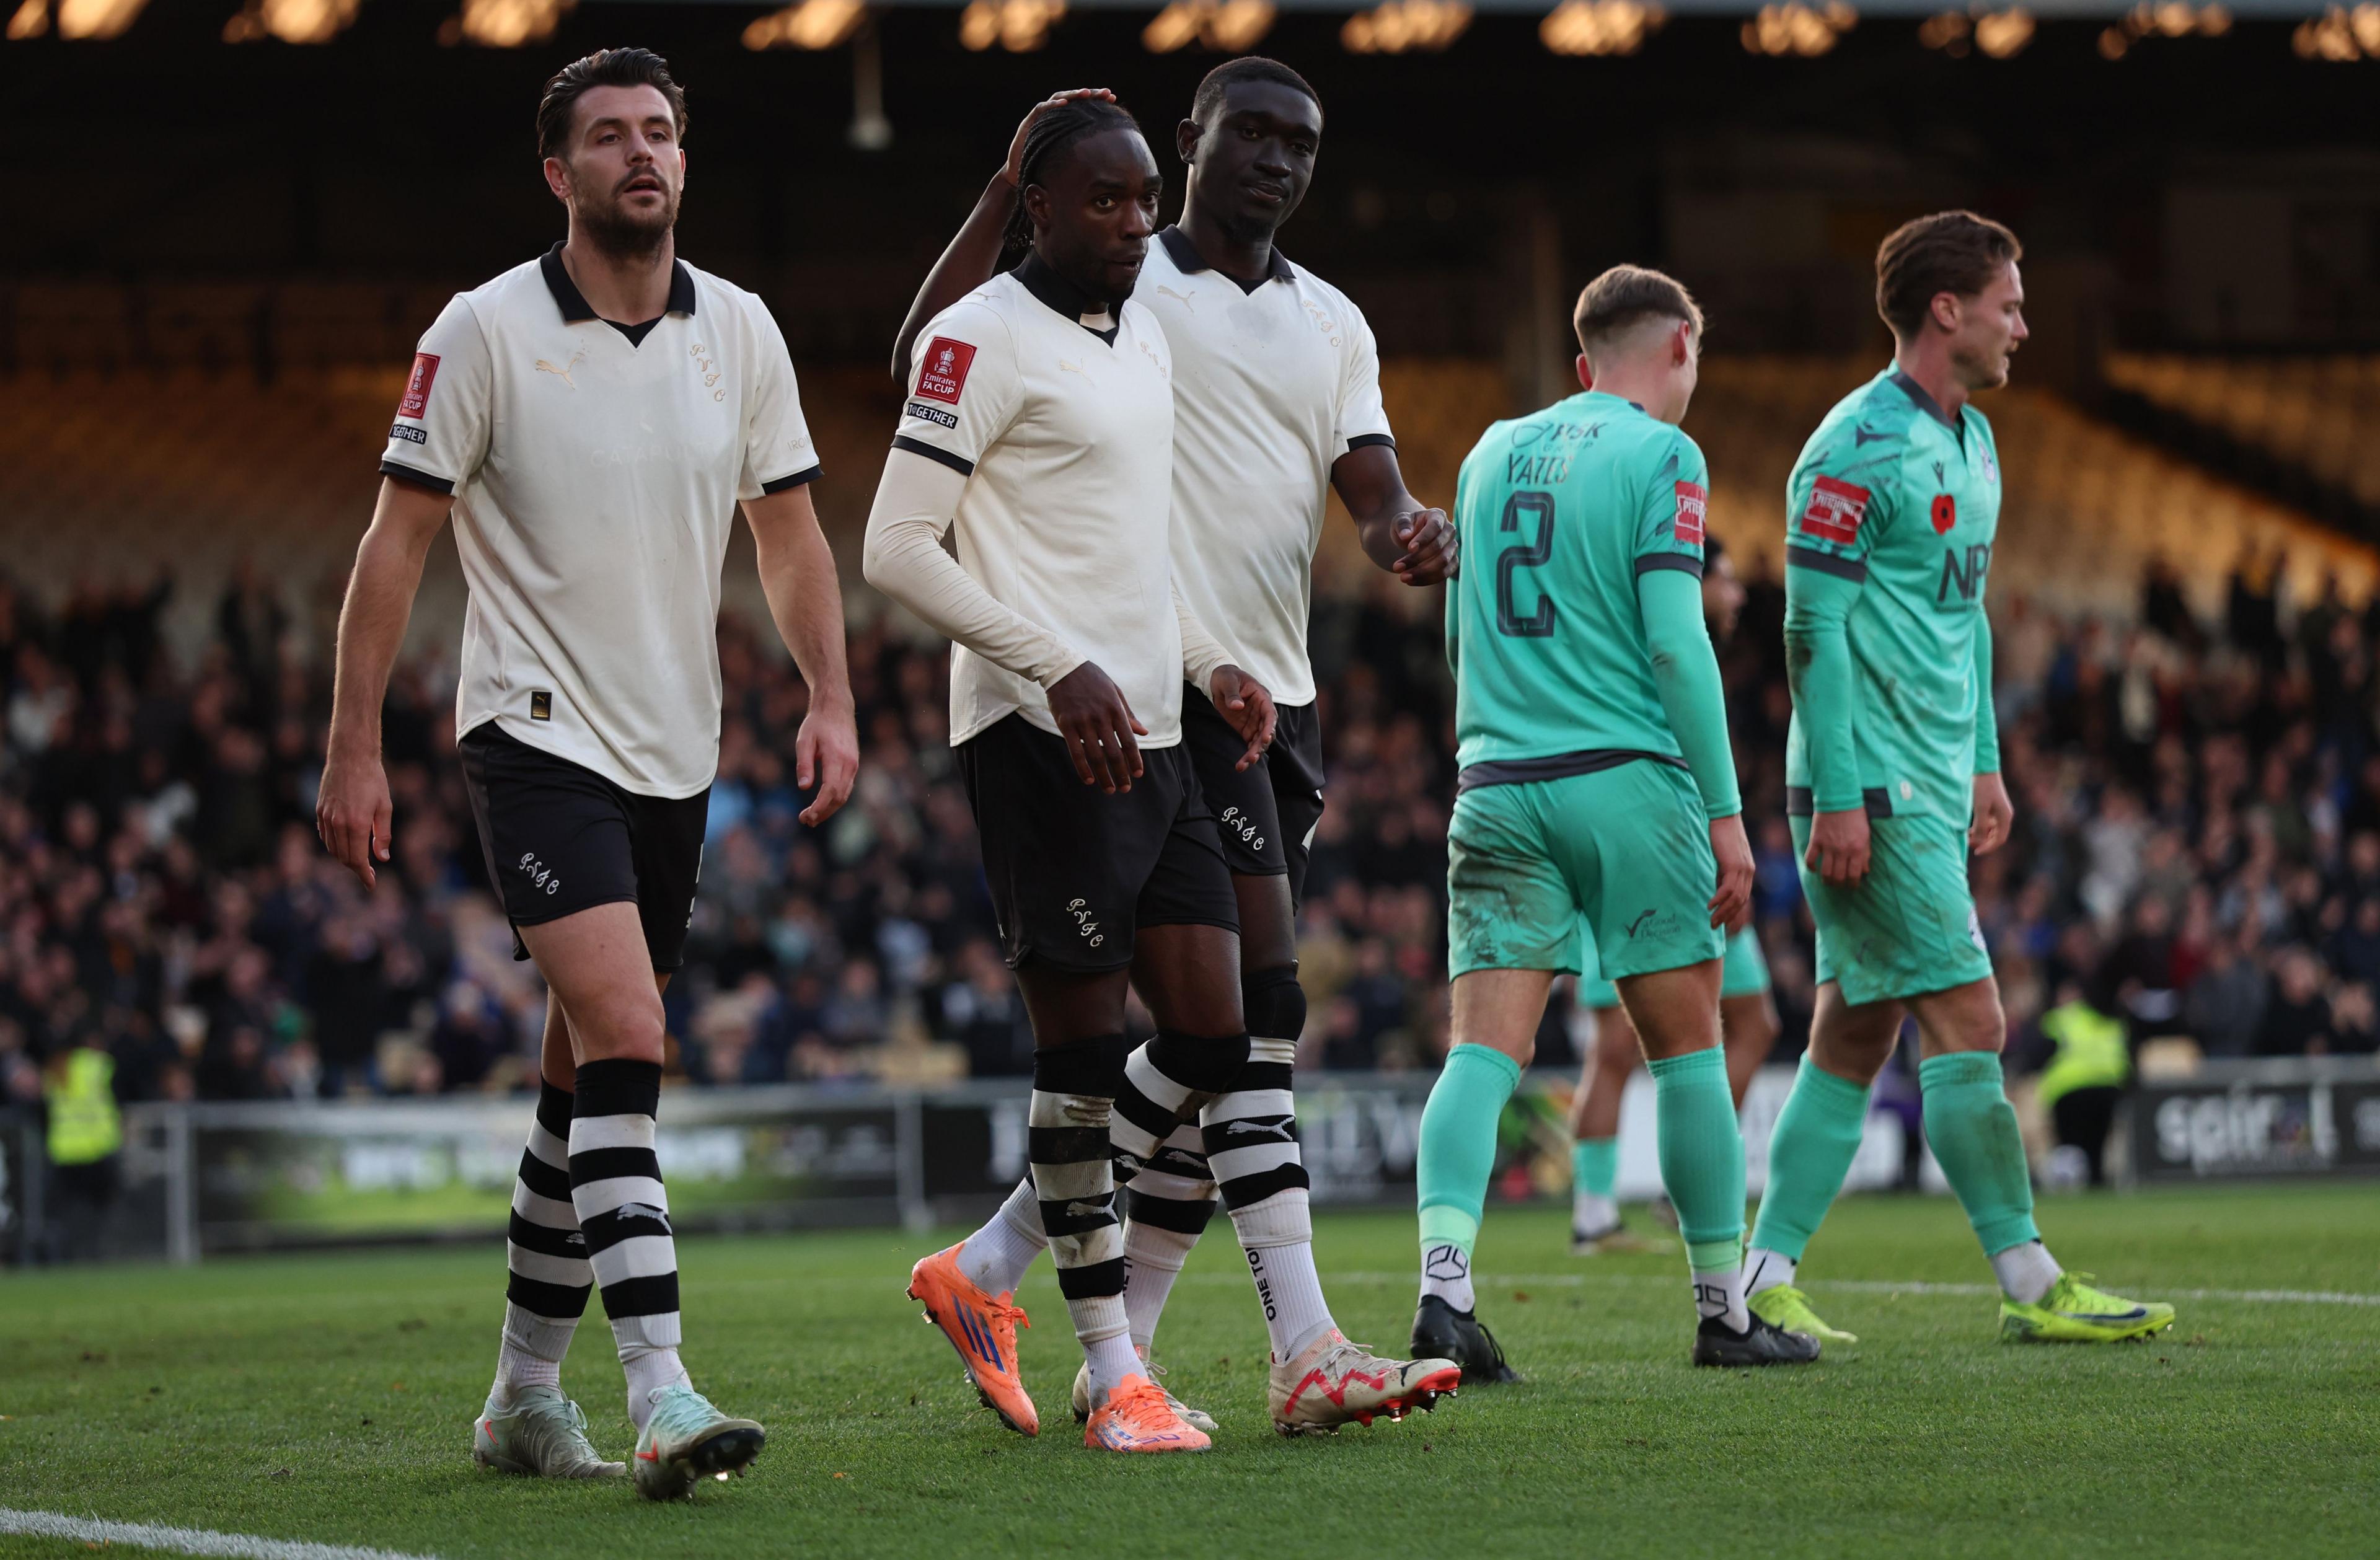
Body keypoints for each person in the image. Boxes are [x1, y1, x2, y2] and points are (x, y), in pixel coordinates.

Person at [315, 48, 859, 1497]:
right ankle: (662, 1388)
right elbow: (396, 543)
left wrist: (831, 694)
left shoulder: (738, 331)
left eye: (662, 133)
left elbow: (791, 532)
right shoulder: (484, 330)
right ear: (557, 172)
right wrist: (353, 741)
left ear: (685, 160)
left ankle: (517, 1399)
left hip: (675, 750)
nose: (643, 154)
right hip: (532, 732)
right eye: (610, 136)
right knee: (626, 1034)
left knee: (578, 1092)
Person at [886, 69, 1461, 1439]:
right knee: (1249, 1022)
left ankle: (1030, 1284)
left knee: (1231, 1034)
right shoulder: (1120, 284)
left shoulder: (1329, 318)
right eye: (1250, 134)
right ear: (1193, 139)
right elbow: (934, 358)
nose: (1276, 162)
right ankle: (1286, 1343)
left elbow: (1368, 484)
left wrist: (1403, 534)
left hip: (1260, 680)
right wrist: (1000, 191)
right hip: (1128, 692)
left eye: (1301, 145)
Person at [1742, 211, 2173, 1347]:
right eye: (2009, 302)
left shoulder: (1975, 441)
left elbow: (1963, 615)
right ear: (1949, 309)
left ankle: (1759, 1279)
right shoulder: (1850, 448)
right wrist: (1837, 791)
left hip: (1932, 778)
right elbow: (1809, 630)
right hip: (1870, 785)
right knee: (1971, 1015)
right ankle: (2031, 1278)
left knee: (1852, 1031)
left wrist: (1984, 758)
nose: (2024, 323)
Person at [1412, 265, 1815, 1376]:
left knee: (1482, 1053)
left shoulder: (1490, 450)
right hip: (1624, 778)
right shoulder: (1663, 455)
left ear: (1584, 365)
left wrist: (1488, 748)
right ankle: (1722, 1311)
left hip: (1494, 779)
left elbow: (1458, 639)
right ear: (1681, 344)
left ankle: (1444, 1292)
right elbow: (1678, 645)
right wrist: (1729, 819)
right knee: (1688, 1054)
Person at [1564, 536, 1782, 1253]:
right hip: (1650, 848)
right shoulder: (1664, 643)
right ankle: (1596, 1214)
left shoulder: (1691, 646)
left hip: (1697, 855)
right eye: (1727, 578)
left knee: (1752, 1024)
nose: (1739, 593)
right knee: (1619, 1050)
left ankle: (1681, 1190)